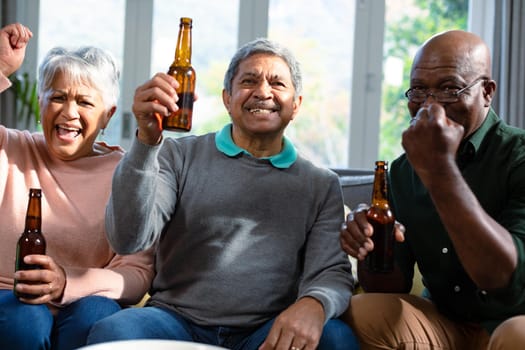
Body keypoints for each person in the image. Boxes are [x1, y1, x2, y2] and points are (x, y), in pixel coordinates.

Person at [86, 38, 359, 349]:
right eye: (249, 81)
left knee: (336, 338)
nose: (263, 92)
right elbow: (128, 238)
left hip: (266, 332)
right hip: (175, 321)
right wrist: (146, 141)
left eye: (277, 83)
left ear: (295, 104)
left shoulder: (321, 184)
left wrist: (315, 304)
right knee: (113, 334)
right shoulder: (178, 155)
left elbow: (331, 272)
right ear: (227, 99)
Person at [339, 29, 525, 349]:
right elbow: (389, 285)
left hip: (515, 320)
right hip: (445, 321)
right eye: (418, 90)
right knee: (363, 312)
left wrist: (438, 169)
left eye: (450, 88)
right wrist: (370, 245)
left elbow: (503, 281)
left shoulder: (518, 156)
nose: (430, 106)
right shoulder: (401, 171)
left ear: (487, 92)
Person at [0, 23, 154, 350]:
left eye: (85, 102)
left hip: (87, 300)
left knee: (97, 317)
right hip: (9, 300)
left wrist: (66, 281)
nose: (69, 112)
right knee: (26, 319)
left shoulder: (128, 172)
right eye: (57, 97)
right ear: (40, 102)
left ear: (108, 115)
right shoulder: (9, 147)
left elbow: (136, 274)